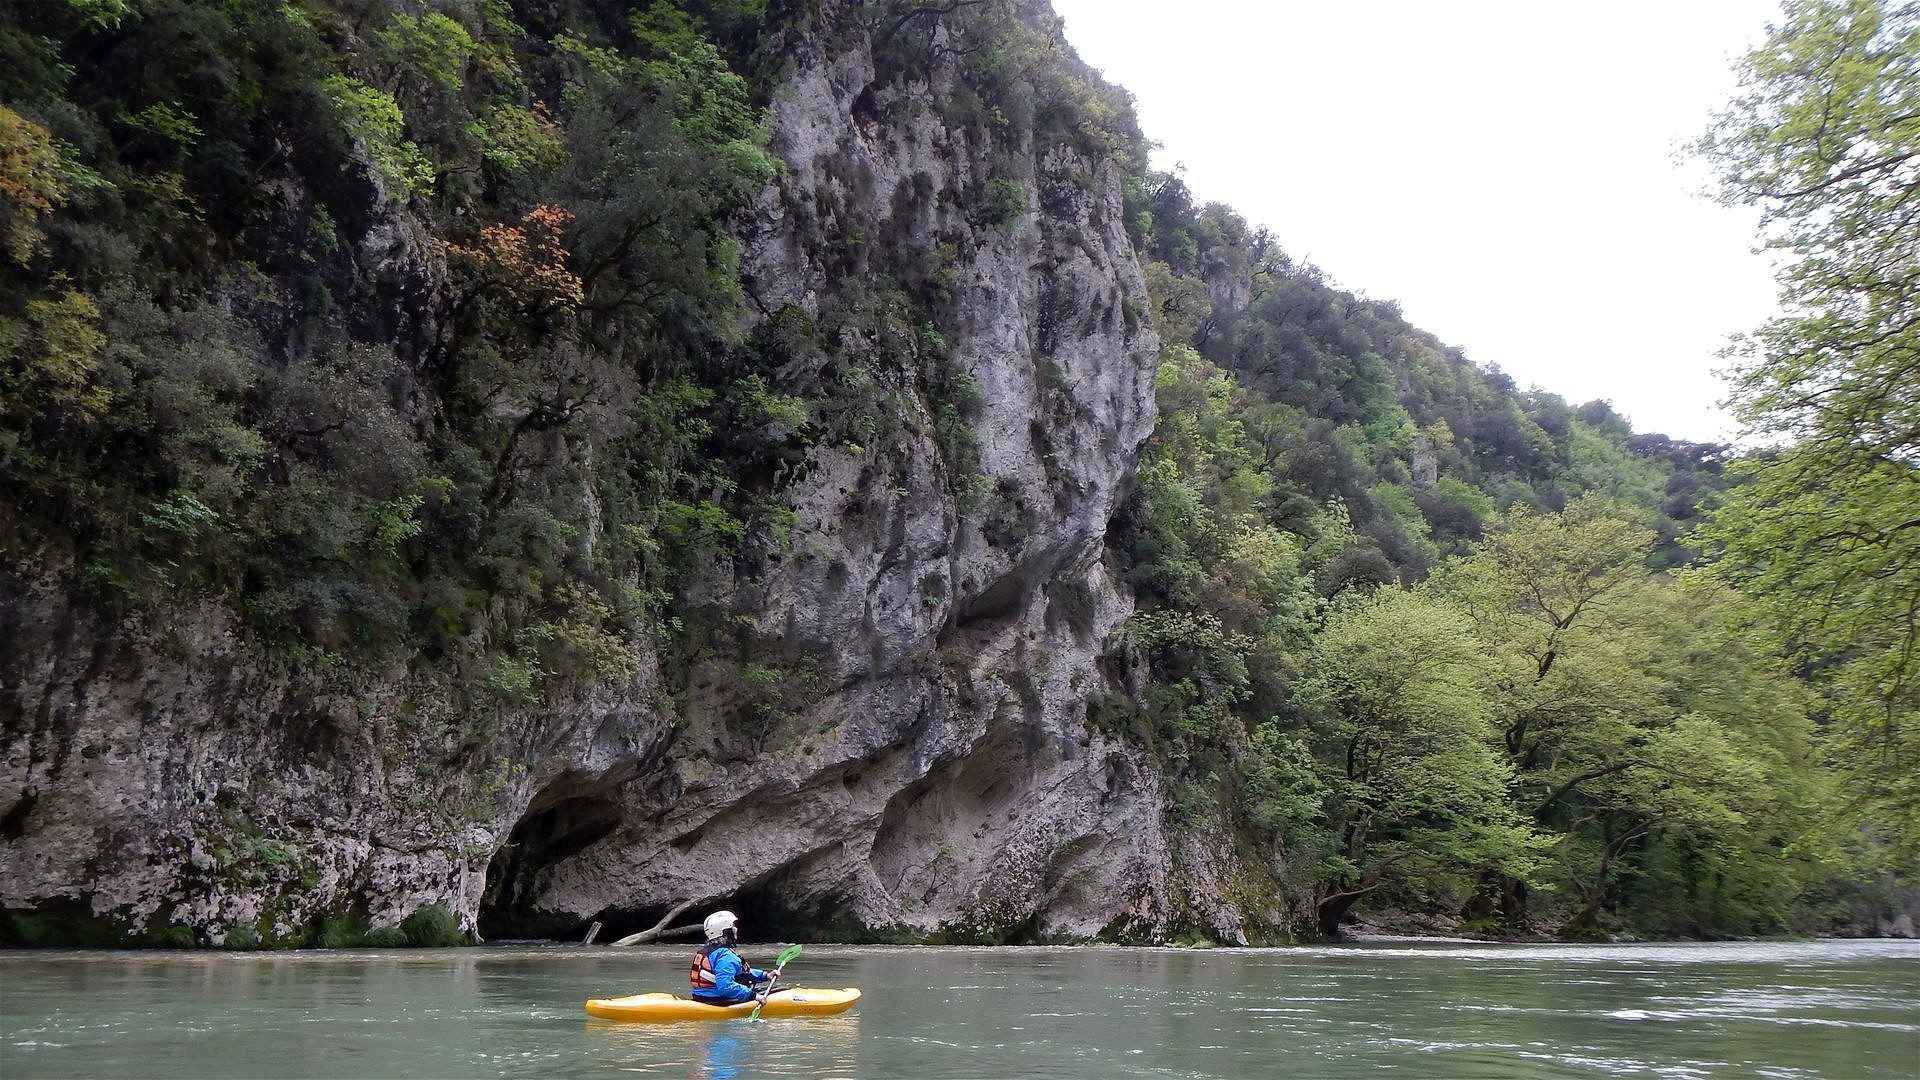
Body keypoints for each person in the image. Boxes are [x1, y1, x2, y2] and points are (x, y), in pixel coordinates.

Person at [689, 910, 781, 1005]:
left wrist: (765, 976)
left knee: (772, 989)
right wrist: (754, 996)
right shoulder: (726, 956)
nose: (736, 929)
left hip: (702, 997)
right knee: (775, 991)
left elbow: (740, 973)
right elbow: (726, 987)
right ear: (725, 932)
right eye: (733, 926)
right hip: (719, 1001)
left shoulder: (710, 952)